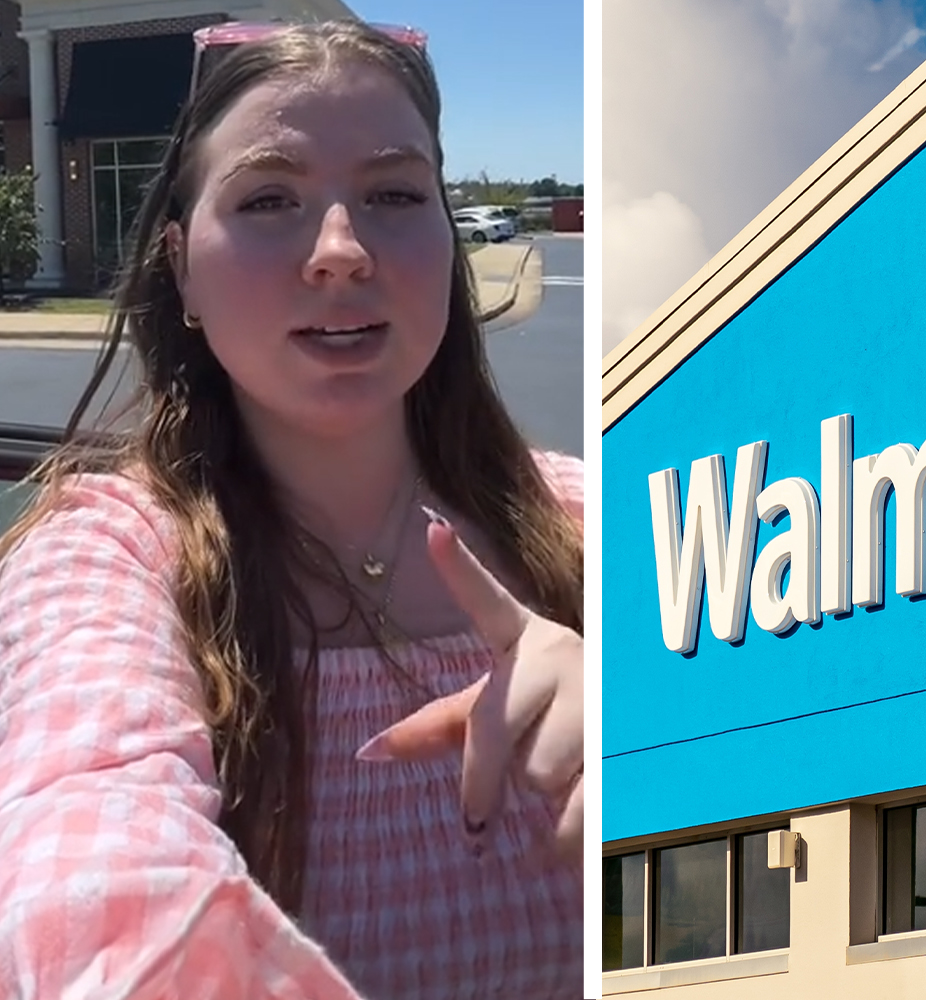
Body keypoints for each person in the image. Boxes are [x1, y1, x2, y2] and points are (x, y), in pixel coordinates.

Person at [0, 21, 584, 998]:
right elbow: (79, 873)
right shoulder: (109, 556)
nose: (341, 251)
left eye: (395, 193)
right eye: (270, 198)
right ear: (181, 266)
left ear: (448, 239)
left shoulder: (589, 522)